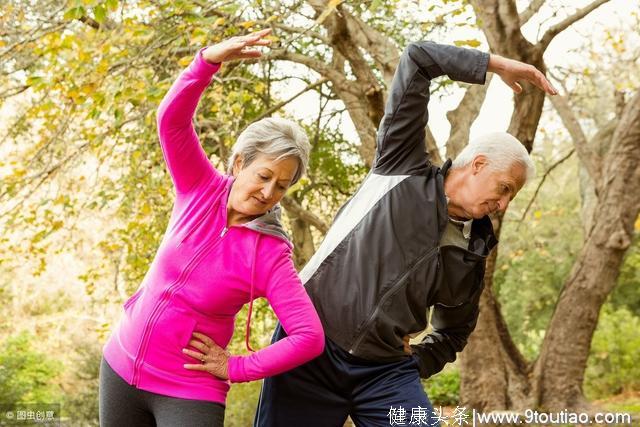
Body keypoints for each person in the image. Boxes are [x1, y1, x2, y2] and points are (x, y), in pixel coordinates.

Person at [254, 40, 556, 427]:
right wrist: (495, 65)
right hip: (311, 345)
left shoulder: (473, 250)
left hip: (384, 375)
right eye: (504, 189)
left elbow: (454, 331)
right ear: (478, 164)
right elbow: (419, 58)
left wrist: (417, 361)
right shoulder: (403, 165)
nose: (504, 205)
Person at [99, 29, 324, 427]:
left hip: (188, 391)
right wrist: (208, 61)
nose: (269, 191)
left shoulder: (271, 254)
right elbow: (171, 121)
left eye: (282, 186)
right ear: (239, 164)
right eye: (264, 175)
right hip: (120, 367)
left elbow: (308, 337)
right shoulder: (199, 187)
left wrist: (237, 366)